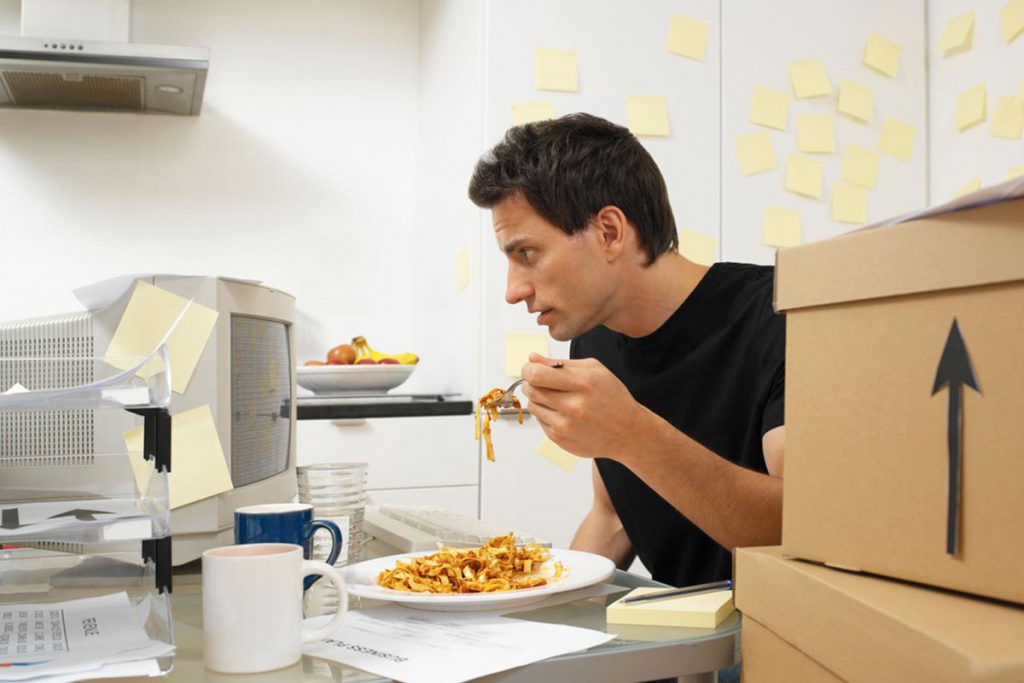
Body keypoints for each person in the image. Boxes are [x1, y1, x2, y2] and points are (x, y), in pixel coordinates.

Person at [467, 113, 785, 588]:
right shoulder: (593, 337)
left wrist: (631, 433)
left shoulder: (780, 315)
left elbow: (798, 529)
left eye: (526, 254)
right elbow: (612, 517)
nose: (513, 291)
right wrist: (535, 609)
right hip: (680, 641)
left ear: (610, 232)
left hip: (780, 639)